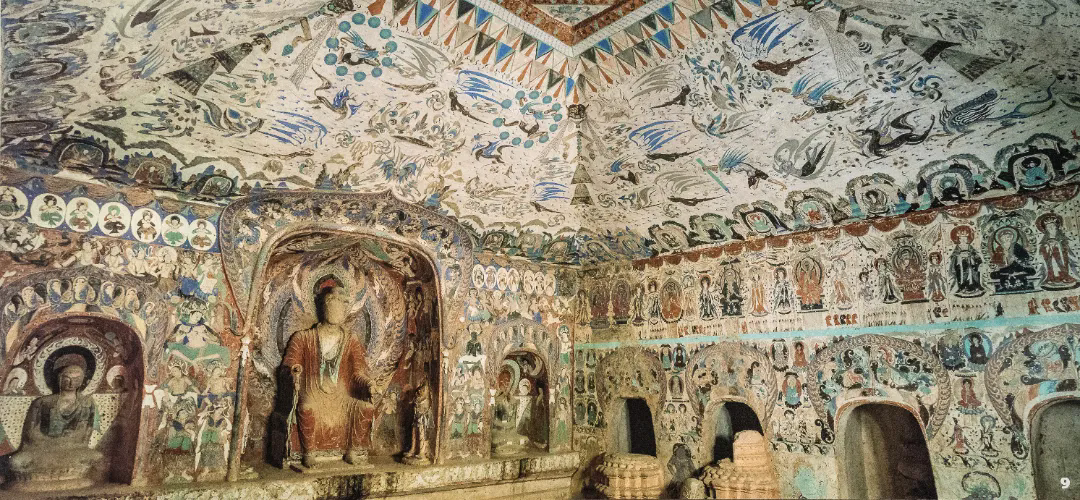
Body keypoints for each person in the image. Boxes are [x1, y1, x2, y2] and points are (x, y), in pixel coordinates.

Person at [283, 284, 375, 468]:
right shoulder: (303, 338)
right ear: (322, 308)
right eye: (331, 304)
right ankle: (309, 453)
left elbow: (358, 372)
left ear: (345, 311)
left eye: (340, 305)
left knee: (366, 408)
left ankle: (352, 451)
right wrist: (295, 370)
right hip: (313, 391)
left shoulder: (351, 340)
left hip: (341, 396)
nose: (335, 309)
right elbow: (289, 364)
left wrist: (369, 383)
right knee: (306, 407)